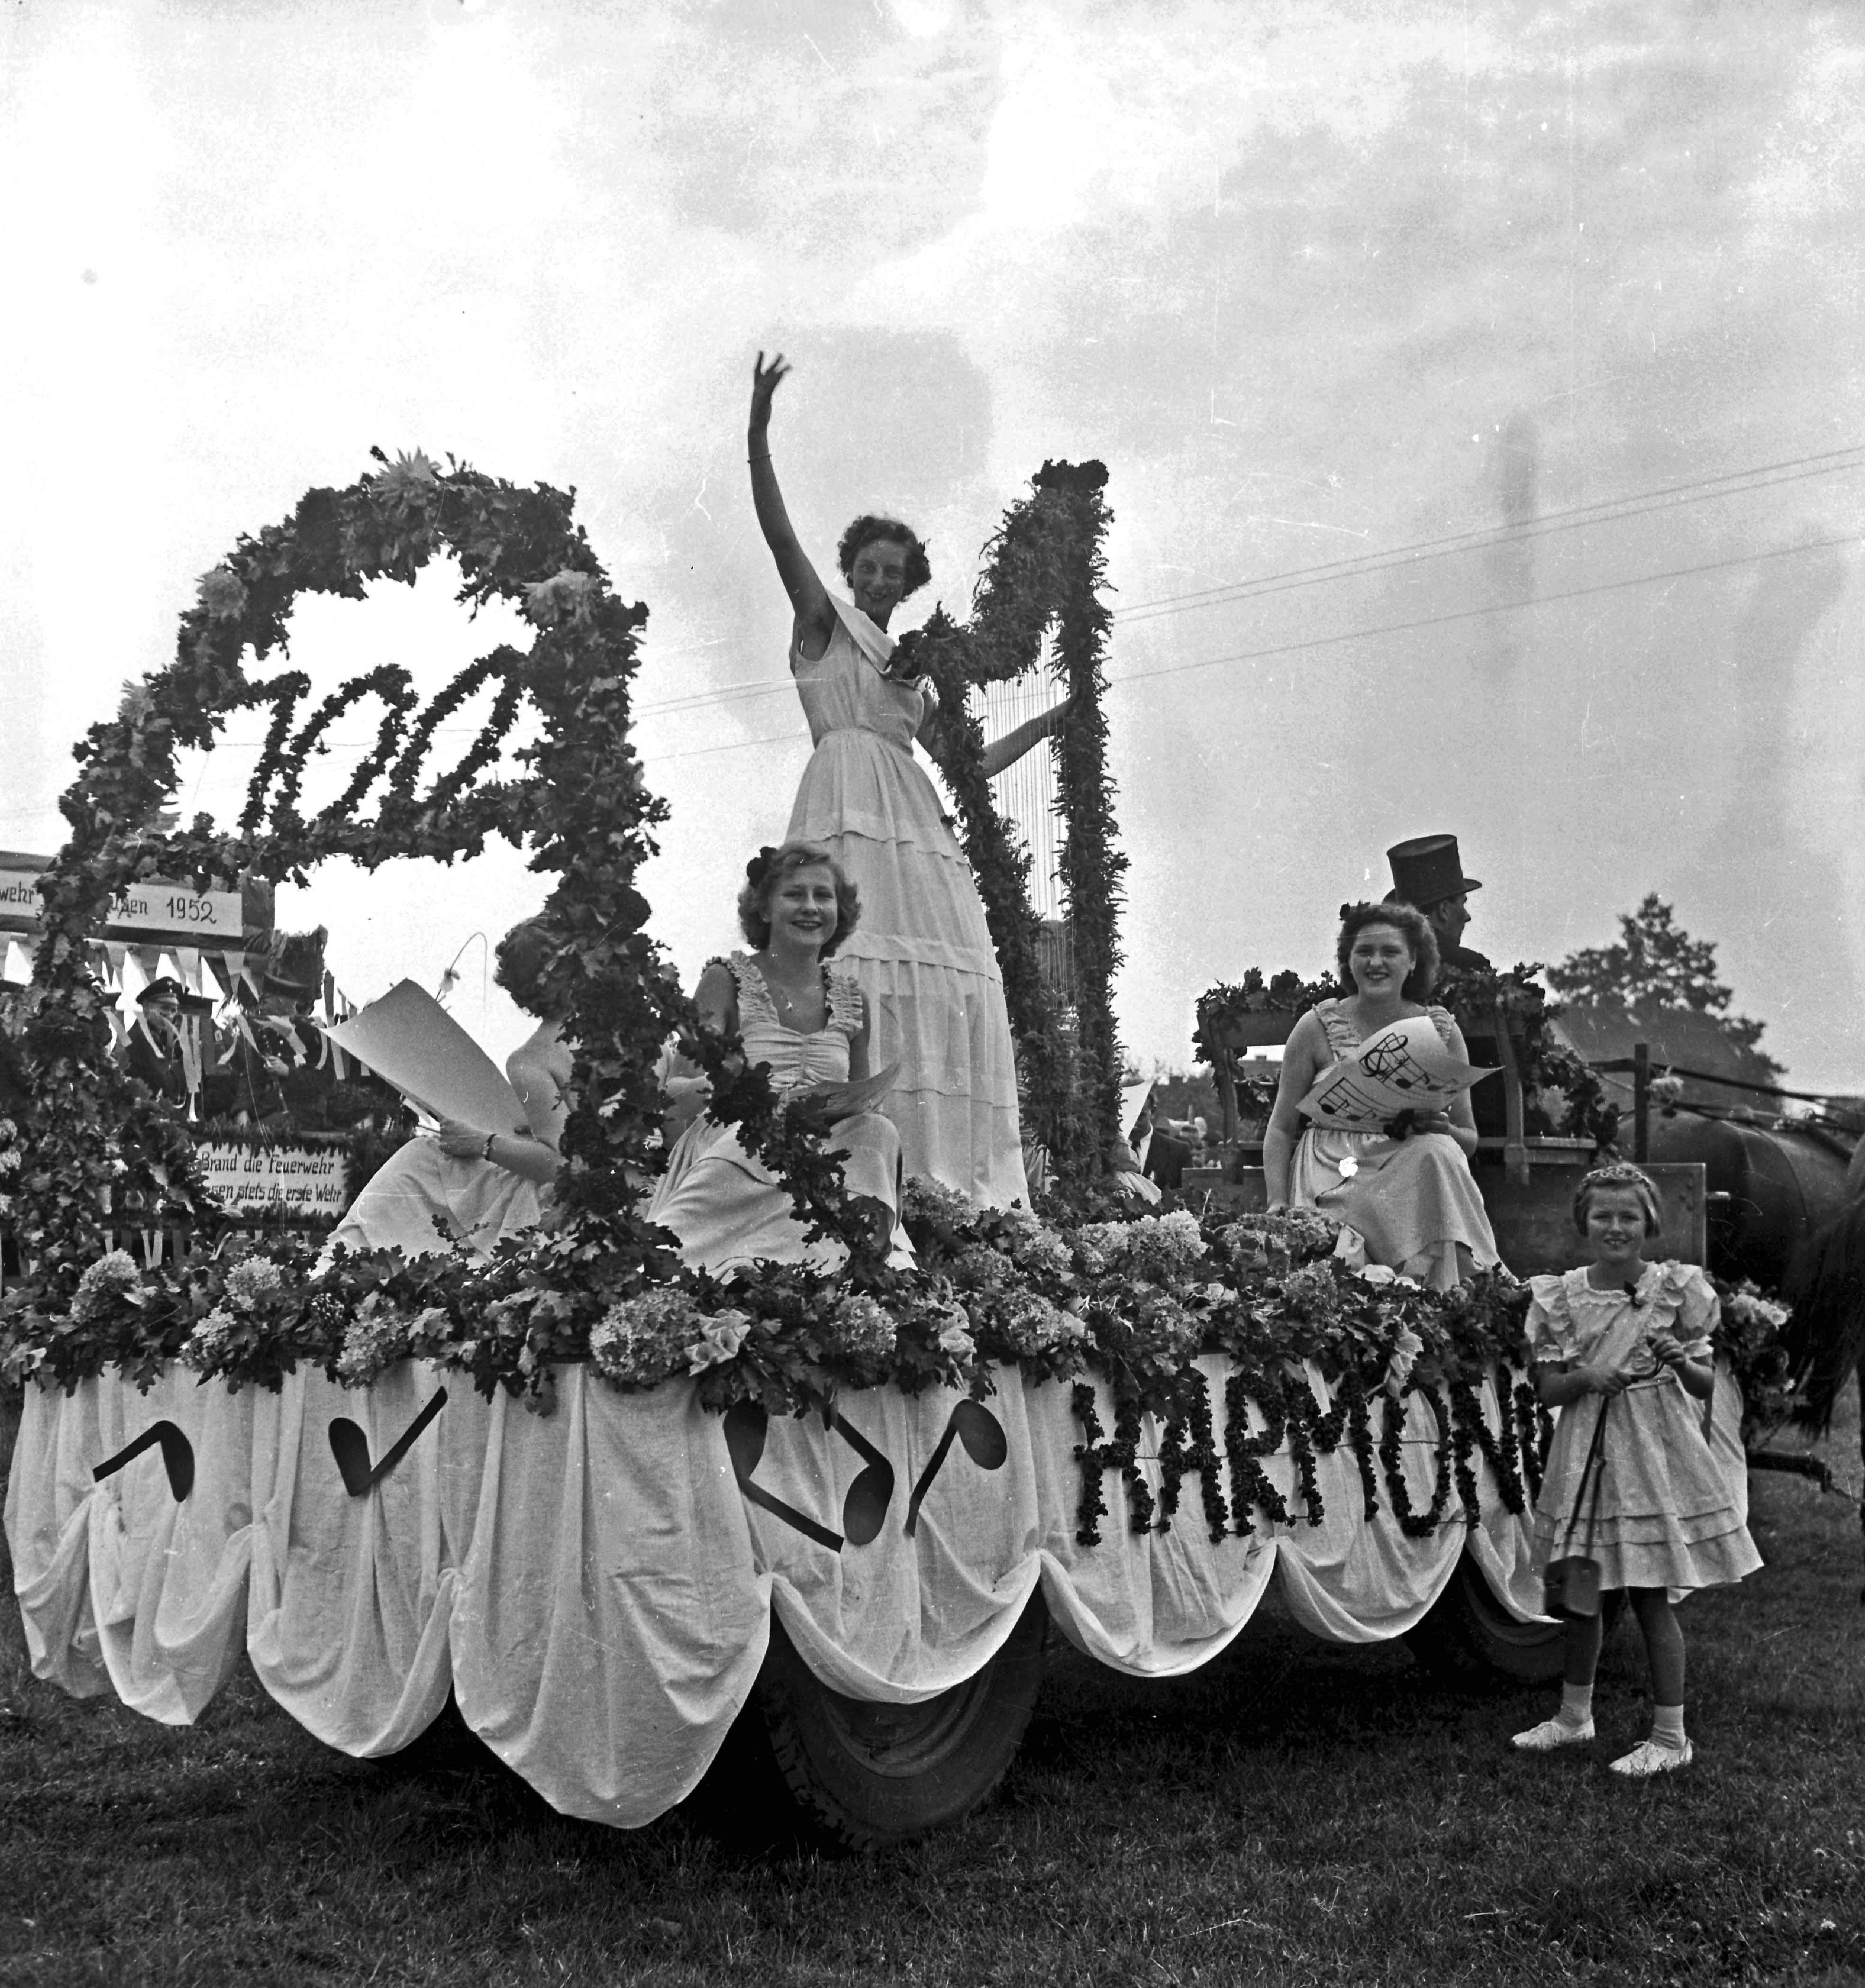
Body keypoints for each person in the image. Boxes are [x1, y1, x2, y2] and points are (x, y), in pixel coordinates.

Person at [747, 351, 1064, 1209]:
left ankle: (935, 1173)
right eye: (870, 566)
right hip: (844, 791)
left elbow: (970, 766)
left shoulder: (915, 670)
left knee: (947, 972)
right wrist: (758, 434)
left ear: (909, 581)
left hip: (912, 812)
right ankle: (849, 1162)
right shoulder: (826, 626)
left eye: (895, 571)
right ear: (852, 571)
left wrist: (1043, 726)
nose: (881, 580)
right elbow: (780, 540)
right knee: (848, 950)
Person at [1511, 1163, 1761, 1776]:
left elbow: (1703, 1383)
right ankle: (1574, 1717)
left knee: (1649, 1596)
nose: (1615, 1227)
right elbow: (1546, 1390)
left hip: (1648, 1457)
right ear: (1583, 1223)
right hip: (1586, 1456)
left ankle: (1672, 1736)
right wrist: (1586, 1378)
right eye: (1603, 1216)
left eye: (1628, 1217)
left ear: (1648, 1223)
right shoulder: (1562, 1296)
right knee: (1581, 1594)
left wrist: (1679, 1360)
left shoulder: (1674, 1289)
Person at [648, 842, 911, 1275]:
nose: (810, 907)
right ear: (765, 909)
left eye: (822, 896)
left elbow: (861, 1100)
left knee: (878, 1131)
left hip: (822, 1147)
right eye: (794, 894)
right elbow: (678, 1088)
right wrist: (737, 1089)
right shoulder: (726, 979)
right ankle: (703, 1259)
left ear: (838, 912)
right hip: (740, 1136)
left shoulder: (851, 998)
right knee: (756, 1141)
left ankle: (851, 1263)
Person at [1263, 900, 1499, 1290]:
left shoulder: (1441, 1030)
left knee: (1437, 1151)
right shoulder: (1317, 1026)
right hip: (1337, 1171)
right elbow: (1280, 1127)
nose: (1376, 963)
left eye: (1390, 952)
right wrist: (1276, 1201)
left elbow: (1468, 1139)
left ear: (1412, 962)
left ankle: (1446, 1295)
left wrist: (1441, 1126)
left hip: (1406, 1168)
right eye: (1364, 952)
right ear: (1348, 961)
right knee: (1425, 1159)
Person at [324, 920, 568, 1260]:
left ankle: (334, 1263)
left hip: (559, 1205)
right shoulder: (623, 1035)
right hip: (628, 1180)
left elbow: (561, 1164)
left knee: (418, 1161)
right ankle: (341, 1257)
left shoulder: (532, 1059)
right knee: (420, 1160)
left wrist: (482, 1142)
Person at [1385, 833, 1492, 973]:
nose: (1467, 917)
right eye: (1462, 904)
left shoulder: (1379, 959)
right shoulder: (1468, 963)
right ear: (1444, 910)